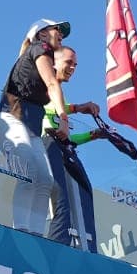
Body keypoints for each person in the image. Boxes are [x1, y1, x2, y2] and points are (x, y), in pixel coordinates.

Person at [0, 19, 71, 235]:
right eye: (57, 29)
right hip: (9, 120)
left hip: (29, 127)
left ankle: (36, 234)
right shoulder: (40, 49)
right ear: (42, 35)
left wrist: (76, 108)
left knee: (45, 180)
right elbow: (52, 84)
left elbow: (51, 89)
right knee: (28, 172)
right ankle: (21, 230)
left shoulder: (37, 55)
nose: (61, 34)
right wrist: (63, 118)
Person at [42, 46, 102, 251]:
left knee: (83, 191)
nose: (73, 67)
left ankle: (87, 248)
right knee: (61, 200)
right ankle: (58, 248)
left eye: (75, 64)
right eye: (69, 62)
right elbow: (49, 123)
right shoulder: (45, 84)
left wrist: (93, 135)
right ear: (53, 63)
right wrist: (77, 108)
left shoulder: (59, 94)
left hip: (59, 146)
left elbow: (66, 138)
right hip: (46, 144)